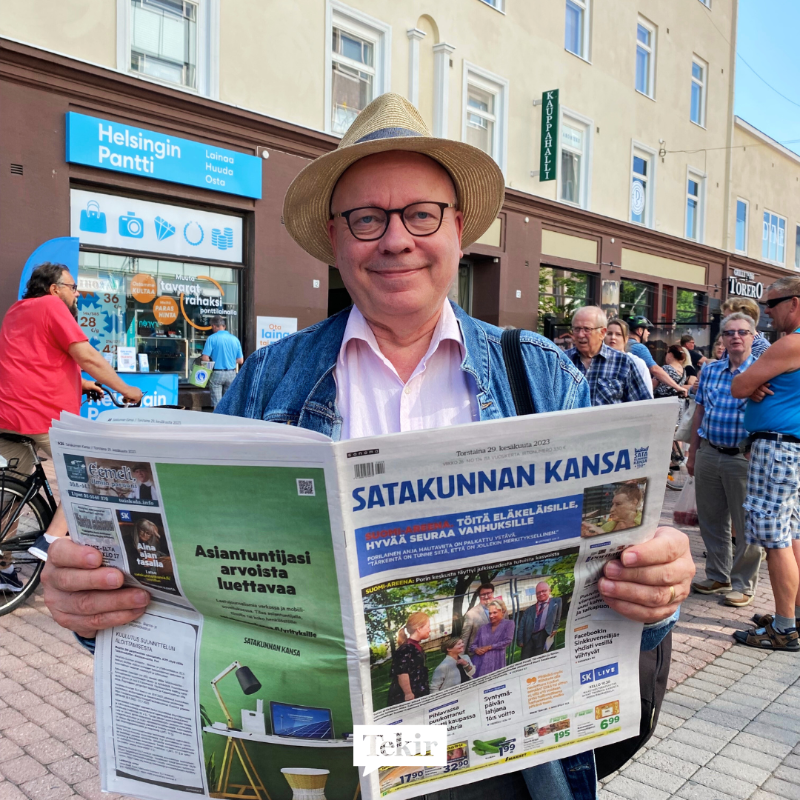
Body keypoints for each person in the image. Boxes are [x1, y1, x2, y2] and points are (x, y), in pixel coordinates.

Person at [42, 93, 696, 799]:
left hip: (495, 763)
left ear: (459, 227)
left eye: (420, 213)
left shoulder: (537, 372)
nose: (395, 240)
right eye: (367, 218)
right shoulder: (269, 380)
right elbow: (183, 602)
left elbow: (609, 606)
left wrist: (656, 596)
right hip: (322, 759)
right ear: (336, 236)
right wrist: (91, 608)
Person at [0, 263, 142, 570]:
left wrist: (82, 383)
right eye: (73, 287)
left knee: (10, 495)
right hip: (42, 416)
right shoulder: (53, 306)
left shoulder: (16, 310)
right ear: (55, 289)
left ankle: (4, 568)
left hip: (7, 416)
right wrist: (125, 388)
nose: (76, 294)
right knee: (91, 473)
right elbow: (86, 355)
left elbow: (34, 360)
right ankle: (50, 539)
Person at [730, 277, 800, 650]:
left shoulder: (791, 343)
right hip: (789, 449)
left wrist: (754, 382)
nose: (767, 311)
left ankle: (785, 627)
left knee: (776, 541)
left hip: (776, 450)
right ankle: (795, 615)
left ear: (796, 302)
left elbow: (739, 386)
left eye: (772, 303)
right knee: (792, 535)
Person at [686, 313, 763, 608]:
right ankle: (718, 575)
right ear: (722, 339)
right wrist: (693, 453)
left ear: (753, 337)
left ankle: (743, 584)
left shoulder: (762, 371)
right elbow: (700, 412)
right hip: (709, 451)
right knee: (711, 520)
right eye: (729, 332)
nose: (736, 337)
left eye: (743, 332)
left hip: (742, 458)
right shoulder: (711, 370)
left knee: (746, 525)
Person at [564, 307, 651, 405]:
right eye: (577, 329)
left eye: (586, 329)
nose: (580, 335)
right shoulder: (562, 361)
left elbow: (642, 406)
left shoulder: (623, 362)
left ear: (602, 333)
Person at [628, 316, 689, 397]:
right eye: (647, 330)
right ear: (640, 331)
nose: (648, 333)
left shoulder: (622, 345)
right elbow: (655, 369)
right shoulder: (639, 348)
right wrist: (677, 387)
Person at [387, 611, 431, 704]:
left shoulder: (415, 646)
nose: (429, 630)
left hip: (419, 691)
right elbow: (402, 672)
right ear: (419, 629)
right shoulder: (406, 648)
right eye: (428, 627)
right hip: (408, 697)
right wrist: (408, 694)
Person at [201, 315, 244, 408]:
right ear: (224, 326)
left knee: (217, 404)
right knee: (228, 402)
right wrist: (230, 361)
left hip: (216, 373)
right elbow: (240, 360)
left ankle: (218, 421)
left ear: (214, 326)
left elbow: (205, 358)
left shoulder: (211, 338)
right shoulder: (235, 339)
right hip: (231, 373)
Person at [605, 317, 653, 397]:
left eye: (618, 334)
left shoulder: (636, 363)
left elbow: (647, 398)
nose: (613, 337)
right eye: (609, 333)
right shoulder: (598, 361)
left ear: (626, 338)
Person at [517, 582, 563, 659]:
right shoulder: (529, 610)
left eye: (544, 591)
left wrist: (555, 628)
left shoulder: (556, 602)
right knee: (525, 659)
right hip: (529, 637)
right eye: (538, 593)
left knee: (539, 658)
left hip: (543, 635)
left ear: (549, 590)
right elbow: (521, 626)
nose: (541, 594)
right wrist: (520, 640)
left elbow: (558, 617)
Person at [470, 599, 515, 676]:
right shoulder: (483, 628)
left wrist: (489, 647)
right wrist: (476, 649)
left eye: (495, 613)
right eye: (490, 613)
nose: (491, 616)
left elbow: (508, 641)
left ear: (503, 612)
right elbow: (473, 645)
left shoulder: (509, 624)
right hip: (479, 663)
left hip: (496, 661)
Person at [460, 583, 494, 653]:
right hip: (479, 653)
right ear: (479, 596)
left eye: (489, 593)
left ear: (493, 593)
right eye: (483, 594)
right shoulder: (471, 614)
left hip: (497, 652)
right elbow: (465, 637)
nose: (486, 596)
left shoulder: (501, 609)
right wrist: (461, 657)